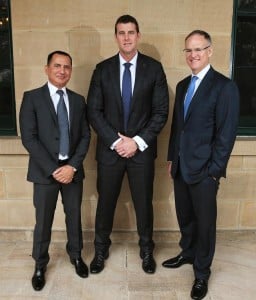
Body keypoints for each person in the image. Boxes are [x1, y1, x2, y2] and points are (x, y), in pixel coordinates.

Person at [87, 15, 169, 275]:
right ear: (115, 37)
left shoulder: (154, 69)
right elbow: (93, 111)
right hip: (110, 152)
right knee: (105, 203)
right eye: (121, 33)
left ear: (138, 36)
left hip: (141, 153)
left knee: (144, 204)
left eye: (131, 32)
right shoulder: (102, 70)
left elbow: (161, 112)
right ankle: (101, 249)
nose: (126, 37)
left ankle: (146, 250)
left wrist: (136, 142)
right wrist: (115, 141)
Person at [162, 30, 239, 300]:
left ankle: (202, 273)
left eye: (198, 49)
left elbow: (226, 134)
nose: (193, 55)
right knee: (185, 216)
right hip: (181, 167)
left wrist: (214, 172)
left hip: (205, 171)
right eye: (188, 50)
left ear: (209, 51)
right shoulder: (183, 85)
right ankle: (188, 252)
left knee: (205, 223)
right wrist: (172, 158)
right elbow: (177, 128)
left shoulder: (224, 87)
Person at [19, 50, 91, 291]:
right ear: (47, 68)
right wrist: (54, 169)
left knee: (74, 216)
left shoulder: (79, 100)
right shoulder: (31, 98)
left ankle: (76, 256)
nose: (62, 71)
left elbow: (85, 136)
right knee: (43, 221)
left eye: (67, 67)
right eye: (57, 66)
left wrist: (72, 166)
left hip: (73, 171)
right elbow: (29, 139)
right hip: (44, 173)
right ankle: (40, 264)